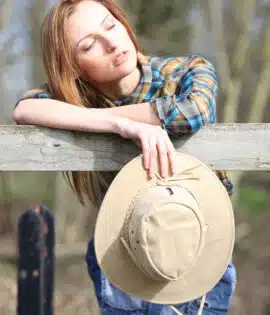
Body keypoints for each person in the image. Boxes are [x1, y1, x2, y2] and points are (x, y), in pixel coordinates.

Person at [13, 0, 237, 314]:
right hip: (122, 252)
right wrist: (121, 125)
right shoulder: (77, 99)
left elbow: (193, 111)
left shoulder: (184, 71)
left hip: (197, 246)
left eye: (110, 25)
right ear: (73, 66)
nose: (111, 43)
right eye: (89, 44)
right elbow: (25, 109)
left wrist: (120, 119)